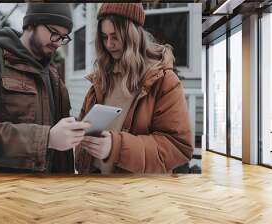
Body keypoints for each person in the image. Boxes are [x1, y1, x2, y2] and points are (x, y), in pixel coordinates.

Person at [75, 3, 194, 174]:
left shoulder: (164, 82)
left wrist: (116, 148)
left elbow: (178, 147)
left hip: (137, 194)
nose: (109, 44)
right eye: (104, 36)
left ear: (133, 35)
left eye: (115, 37)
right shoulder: (101, 79)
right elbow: (85, 129)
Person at [0, 3, 90, 173]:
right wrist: (47, 138)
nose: (58, 44)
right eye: (54, 34)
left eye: (64, 37)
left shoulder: (52, 74)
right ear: (31, 24)